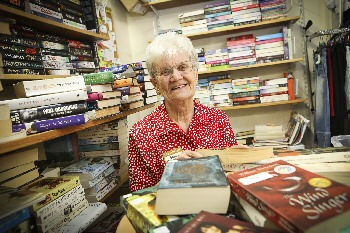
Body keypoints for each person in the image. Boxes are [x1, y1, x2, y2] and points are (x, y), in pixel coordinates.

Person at [128, 32, 238, 192]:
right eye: (166, 72)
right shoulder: (141, 134)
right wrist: (170, 179)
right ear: (155, 83)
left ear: (195, 73)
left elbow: (234, 178)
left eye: (182, 67)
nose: (176, 77)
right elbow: (138, 195)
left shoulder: (219, 120)